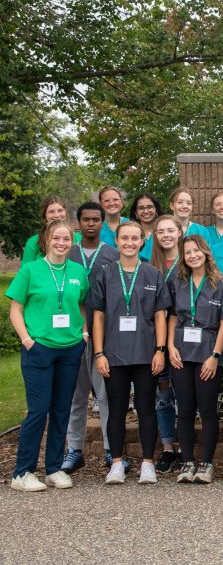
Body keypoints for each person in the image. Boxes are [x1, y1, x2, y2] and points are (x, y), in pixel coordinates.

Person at [6, 220, 89, 492]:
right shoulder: (31, 270)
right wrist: (27, 340)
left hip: (70, 348)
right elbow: (15, 309)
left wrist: (84, 334)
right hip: (39, 348)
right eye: (57, 238)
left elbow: (81, 304)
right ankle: (23, 472)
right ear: (46, 240)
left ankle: (54, 468)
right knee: (38, 411)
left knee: (61, 409)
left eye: (66, 239)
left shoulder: (77, 271)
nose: (62, 243)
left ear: (72, 242)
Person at [89, 221, 172, 486]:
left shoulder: (152, 274)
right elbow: (98, 317)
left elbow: (161, 315)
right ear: (116, 241)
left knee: (147, 408)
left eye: (134, 238)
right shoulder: (105, 274)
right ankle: (116, 463)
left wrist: (160, 350)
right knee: (116, 409)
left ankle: (148, 463)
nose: (129, 243)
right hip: (113, 354)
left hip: (146, 354)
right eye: (124, 238)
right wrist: (99, 353)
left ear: (142, 242)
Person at [167, 235, 223, 484]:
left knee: (207, 409)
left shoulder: (222, 284)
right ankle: (187, 462)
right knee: (184, 409)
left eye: (196, 250)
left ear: (205, 252)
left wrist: (215, 356)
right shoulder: (178, 281)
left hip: (208, 351)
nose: (192, 255)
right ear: (183, 257)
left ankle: (206, 463)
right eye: (187, 252)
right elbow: (173, 315)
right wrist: (170, 346)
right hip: (181, 351)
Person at [61, 202, 120, 474]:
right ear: (79, 223)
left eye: (96, 219)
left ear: (101, 221)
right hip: (71, 335)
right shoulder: (67, 253)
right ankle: (74, 450)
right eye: (86, 219)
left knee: (106, 395)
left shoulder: (113, 254)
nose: (91, 224)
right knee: (75, 396)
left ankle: (110, 449)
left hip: (103, 336)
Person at [149, 215, 183, 472]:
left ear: (179, 232)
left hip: (184, 339)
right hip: (155, 338)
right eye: (161, 231)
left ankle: (184, 446)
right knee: (163, 397)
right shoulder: (149, 265)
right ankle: (168, 447)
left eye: (170, 230)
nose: (166, 235)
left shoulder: (190, 261)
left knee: (183, 396)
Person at [21, 196, 68, 264]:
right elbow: (25, 272)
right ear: (45, 216)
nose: (57, 215)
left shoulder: (79, 239)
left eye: (60, 210)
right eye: (51, 212)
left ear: (66, 212)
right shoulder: (33, 242)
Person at [129, 193, 163, 261]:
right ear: (136, 213)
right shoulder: (131, 233)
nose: (146, 211)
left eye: (149, 207)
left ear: (156, 210)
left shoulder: (164, 232)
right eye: (141, 208)